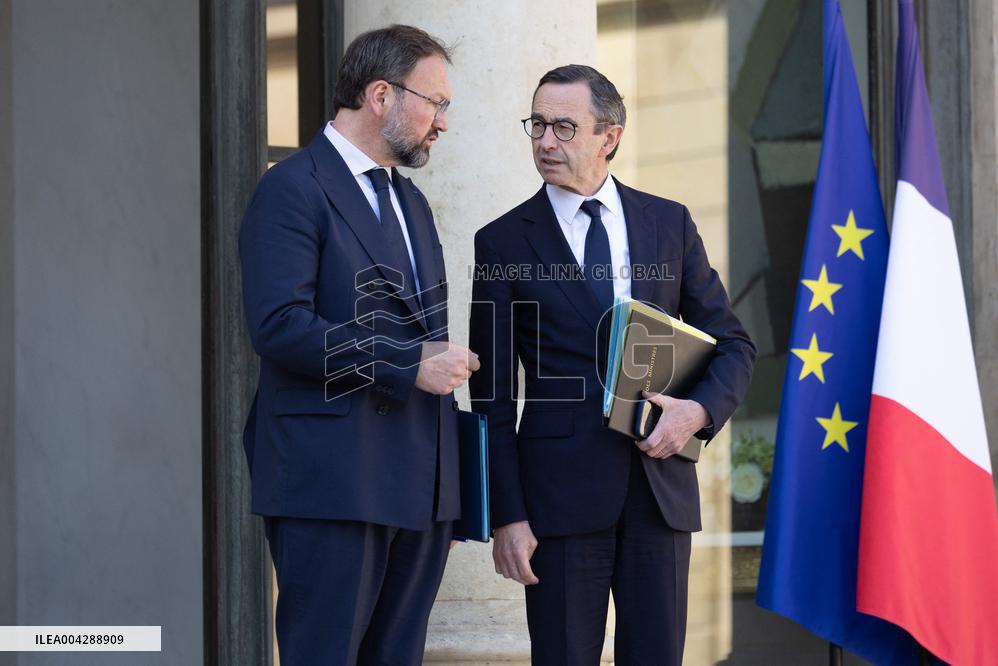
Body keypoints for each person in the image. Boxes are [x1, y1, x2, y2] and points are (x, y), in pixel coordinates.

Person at [469, 64, 756, 665]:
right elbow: (491, 397)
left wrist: (697, 413)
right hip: (557, 504)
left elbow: (733, 344)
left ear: (610, 136)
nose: (546, 141)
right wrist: (507, 515)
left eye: (564, 127)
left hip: (660, 494)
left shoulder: (668, 222)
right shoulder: (501, 242)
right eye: (538, 125)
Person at [239, 24, 479, 666]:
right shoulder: (291, 188)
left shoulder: (412, 202)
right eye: (436, 103)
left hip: (416, 488)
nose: (443, 124)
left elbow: (426, 341)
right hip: (332, 481)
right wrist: (407, 364)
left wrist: (446, 494)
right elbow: (279, 325)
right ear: (381, 96)